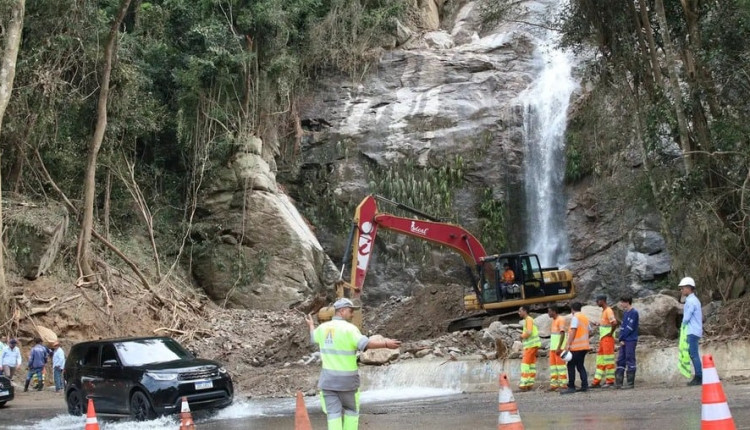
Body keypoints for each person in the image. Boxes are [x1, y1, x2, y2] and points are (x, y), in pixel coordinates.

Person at [305, 298, 401, 430]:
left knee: (333, 414)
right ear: (342, 311)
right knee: (351, 412)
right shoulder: (349, 329)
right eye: (350, 311)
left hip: (328, 382)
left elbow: (312, 337)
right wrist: (386, 344)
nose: (352, 314)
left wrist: (311, 325)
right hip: (347, 383)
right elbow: (366, 344)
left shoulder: (323, 328)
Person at [560, 302, 590, 394]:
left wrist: (568, 344)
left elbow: (573, 331)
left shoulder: (575, 318)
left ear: (572, 309)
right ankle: (585, 385)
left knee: (571, 365)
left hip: (576, 347)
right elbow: (589, 330)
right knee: (580, 366)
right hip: (585, 346)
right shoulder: (585, 318)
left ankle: (571, 386)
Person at [679, 277, 703, 386]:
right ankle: (698, 376)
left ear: (689, 288)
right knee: (693, 353)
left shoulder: (691, 301)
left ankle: (699, 376)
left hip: (692, 331)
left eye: (683, 288)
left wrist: (682, 325)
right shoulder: (693, 300)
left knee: (693, 354)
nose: (681, 290)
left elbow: (687, 317)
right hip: (694, 330)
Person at [591, 295, 618, 388]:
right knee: (601, 360)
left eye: (597, 301)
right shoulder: (604, 311)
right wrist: (598, 324)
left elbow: (614, 323)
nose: (596, 303)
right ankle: (596, 381)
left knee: (608, 360)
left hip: (607, 339)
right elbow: (606, 323)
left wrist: (610, 333)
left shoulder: (608, 311)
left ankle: (610, 381)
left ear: (602, 301)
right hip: (603, 339)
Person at [616, 296, 639, 389]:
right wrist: (621, 339)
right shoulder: (625, 313)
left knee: (630, 358)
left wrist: (622, 338)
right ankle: (619, 382)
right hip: (624, 340)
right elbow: (623, 327)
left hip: (631, 339)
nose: (621, 304)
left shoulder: (634, 313)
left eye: (622, 302)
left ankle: (630, 383)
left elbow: (629, 327)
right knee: (621, 359)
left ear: (627, 302)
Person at [518, 305, 541, 391]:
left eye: (520, 311)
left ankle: (524, 383)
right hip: (532, 345)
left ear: (525, 311)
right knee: (531, 365)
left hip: (530, 346)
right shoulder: (528, 320)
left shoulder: (529, 320)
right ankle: (530, 383)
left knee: (525, 364)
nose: (519, 313)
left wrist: (521, 336)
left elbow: (529, 332)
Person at [547, 306, 568, 391]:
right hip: (553, 348)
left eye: (549, 311)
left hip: (559, 349)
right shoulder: (554, 321)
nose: (548, 313)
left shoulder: (560, 320)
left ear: (554, 311)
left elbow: (562, 334)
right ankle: (554, 385)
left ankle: (563, 385)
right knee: (553, 367)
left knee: (561, 367)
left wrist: (559, 347)